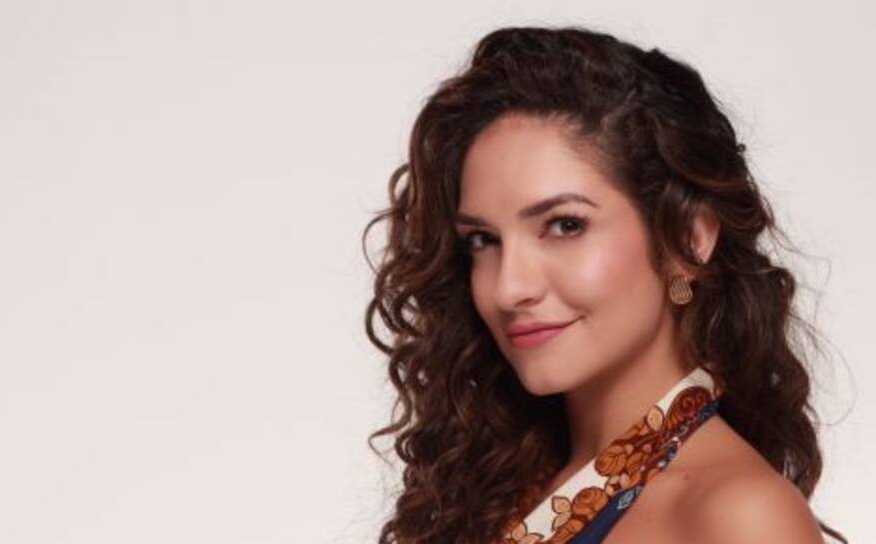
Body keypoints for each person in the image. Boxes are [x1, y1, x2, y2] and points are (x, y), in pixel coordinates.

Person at [363, 25, 849, 544]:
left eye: (565, 226)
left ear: (687, 241)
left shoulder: (739, 516)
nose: (508, 288)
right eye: (483, 240)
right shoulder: (500, 482)